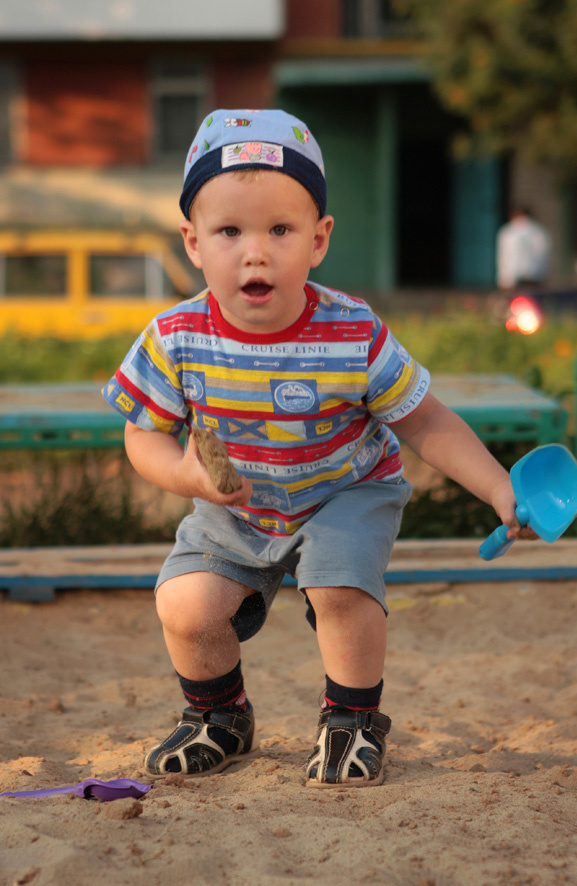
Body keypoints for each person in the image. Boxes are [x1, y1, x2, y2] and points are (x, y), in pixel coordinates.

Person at [103, 108, 532, 788]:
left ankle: (351, 720)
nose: (255, 252)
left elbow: (425, 421)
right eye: (229, 231)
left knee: (338, 587)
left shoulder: (352, 332)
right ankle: (219, 716)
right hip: (236, 506)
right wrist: (184, 475)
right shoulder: (175, 336)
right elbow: (141, 433)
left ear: (319, 239)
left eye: (280, 229)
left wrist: (498, 485)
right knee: (185, 606)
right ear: (192, 242)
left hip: (345, 490)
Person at [496, 206, 552, 292]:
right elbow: (544, 256)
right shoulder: (539, 231)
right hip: (534, 276)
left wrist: (503, 278)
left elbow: (503, 256)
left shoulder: (507, 231)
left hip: (513, 278)